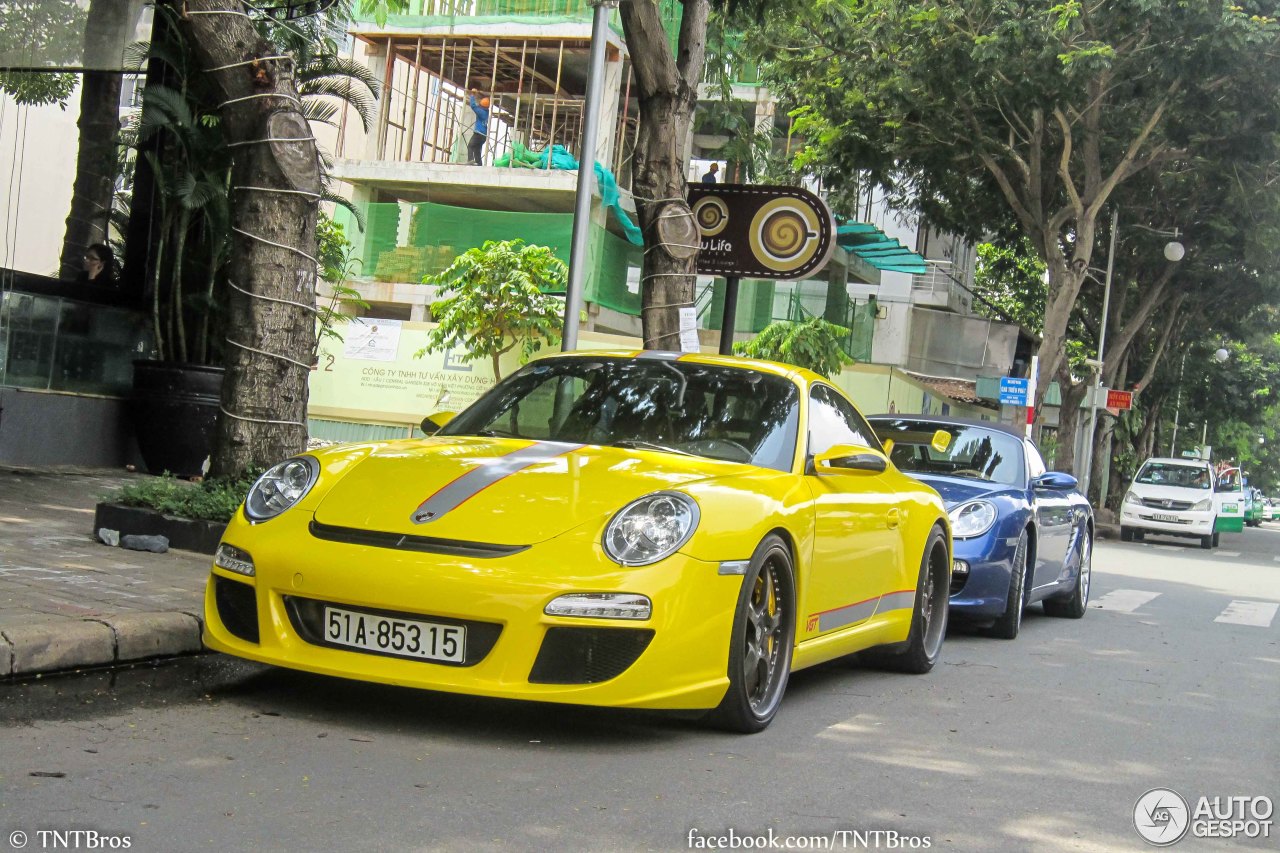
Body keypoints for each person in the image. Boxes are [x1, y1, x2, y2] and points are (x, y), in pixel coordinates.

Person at [468, 87, 490, 166]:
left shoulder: (481, 112)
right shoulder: (486, 112)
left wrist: (473, 95)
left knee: (470, 145)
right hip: (483, 136)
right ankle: (479, 164)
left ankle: (470, 160)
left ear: (482, 106)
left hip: (478, 134)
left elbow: (473, 106)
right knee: (477, 150)